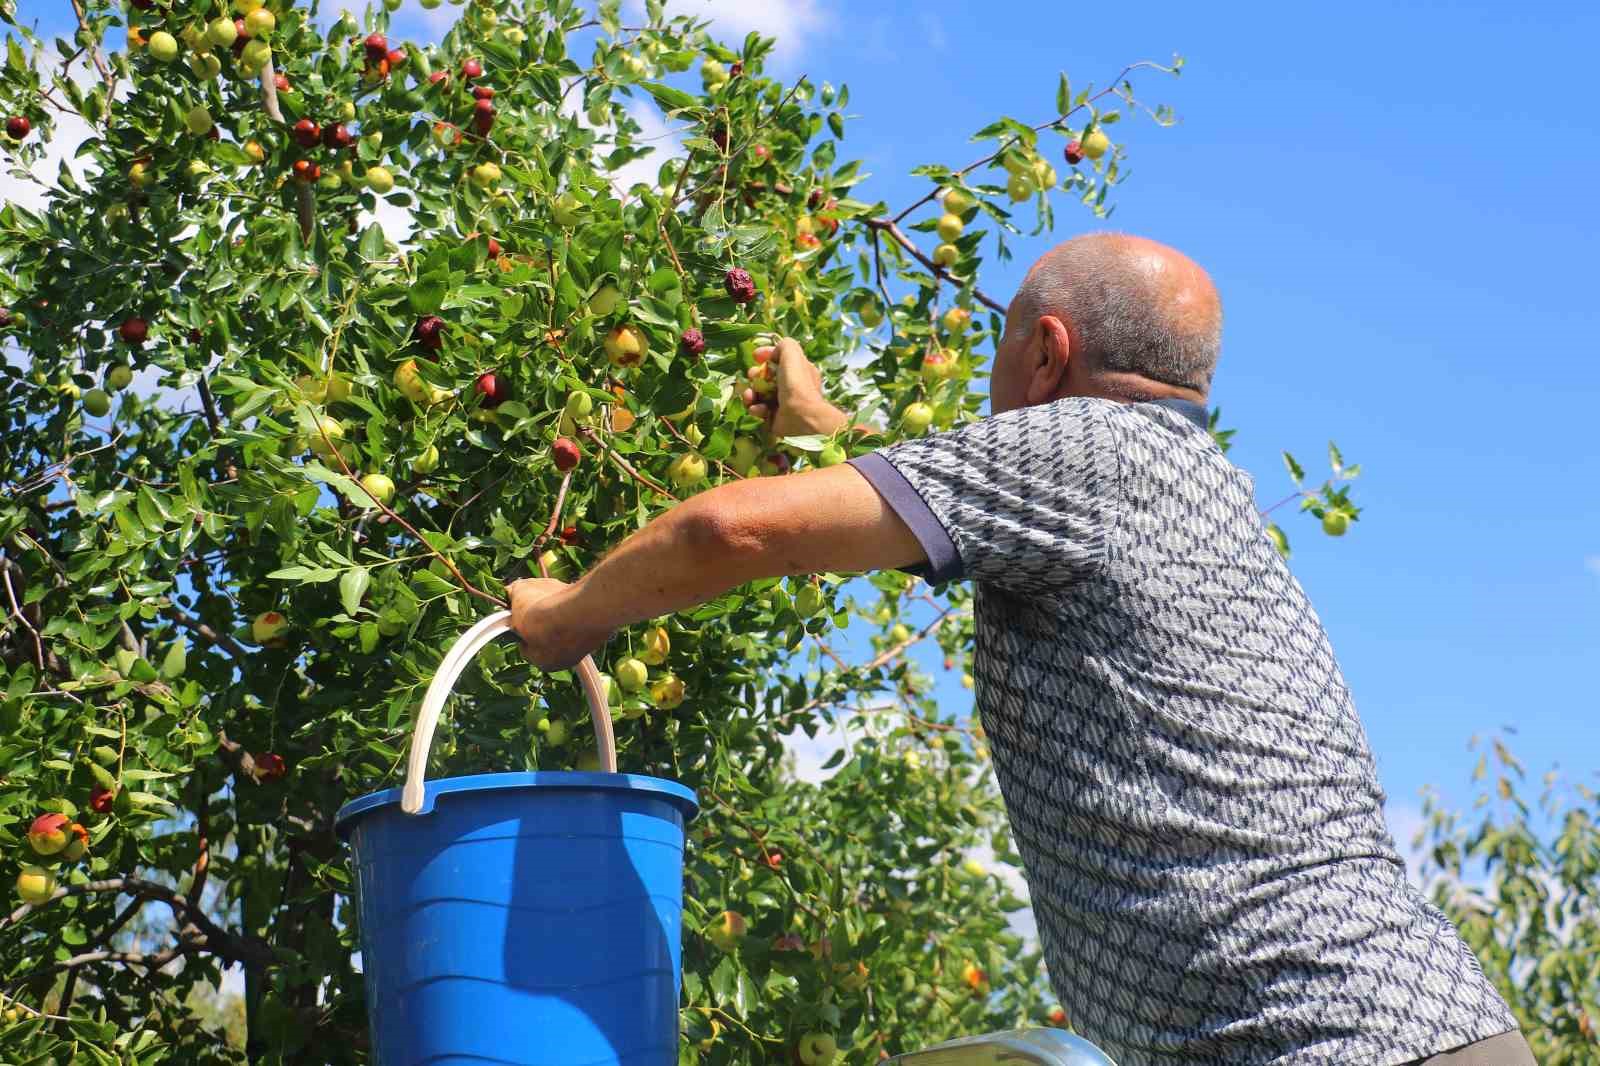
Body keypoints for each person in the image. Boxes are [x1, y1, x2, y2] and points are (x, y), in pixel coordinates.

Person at [507, 233, 1533, 1066]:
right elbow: (980, 506)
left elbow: (725, 530)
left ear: (1044, 352)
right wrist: (829, 437)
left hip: (1315, 1042)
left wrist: (570, 614)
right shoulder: (1180, 477)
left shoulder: (1081, 452)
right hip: (1413, 1023)